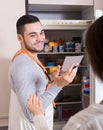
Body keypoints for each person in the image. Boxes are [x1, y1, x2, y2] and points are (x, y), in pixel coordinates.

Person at [26, 16, 103, 130]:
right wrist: (51, 78)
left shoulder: (84, 123)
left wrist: (38, 115)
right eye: (33, 35)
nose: (39, 39)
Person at [8, 14, 78, 130]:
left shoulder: (28, 57)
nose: (40, 39)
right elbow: (31, 114)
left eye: (41, 33)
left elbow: (34, 85)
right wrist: (58, 85)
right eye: (32, 35)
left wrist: (51, 78)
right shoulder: (23, 65)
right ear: (20, 38)